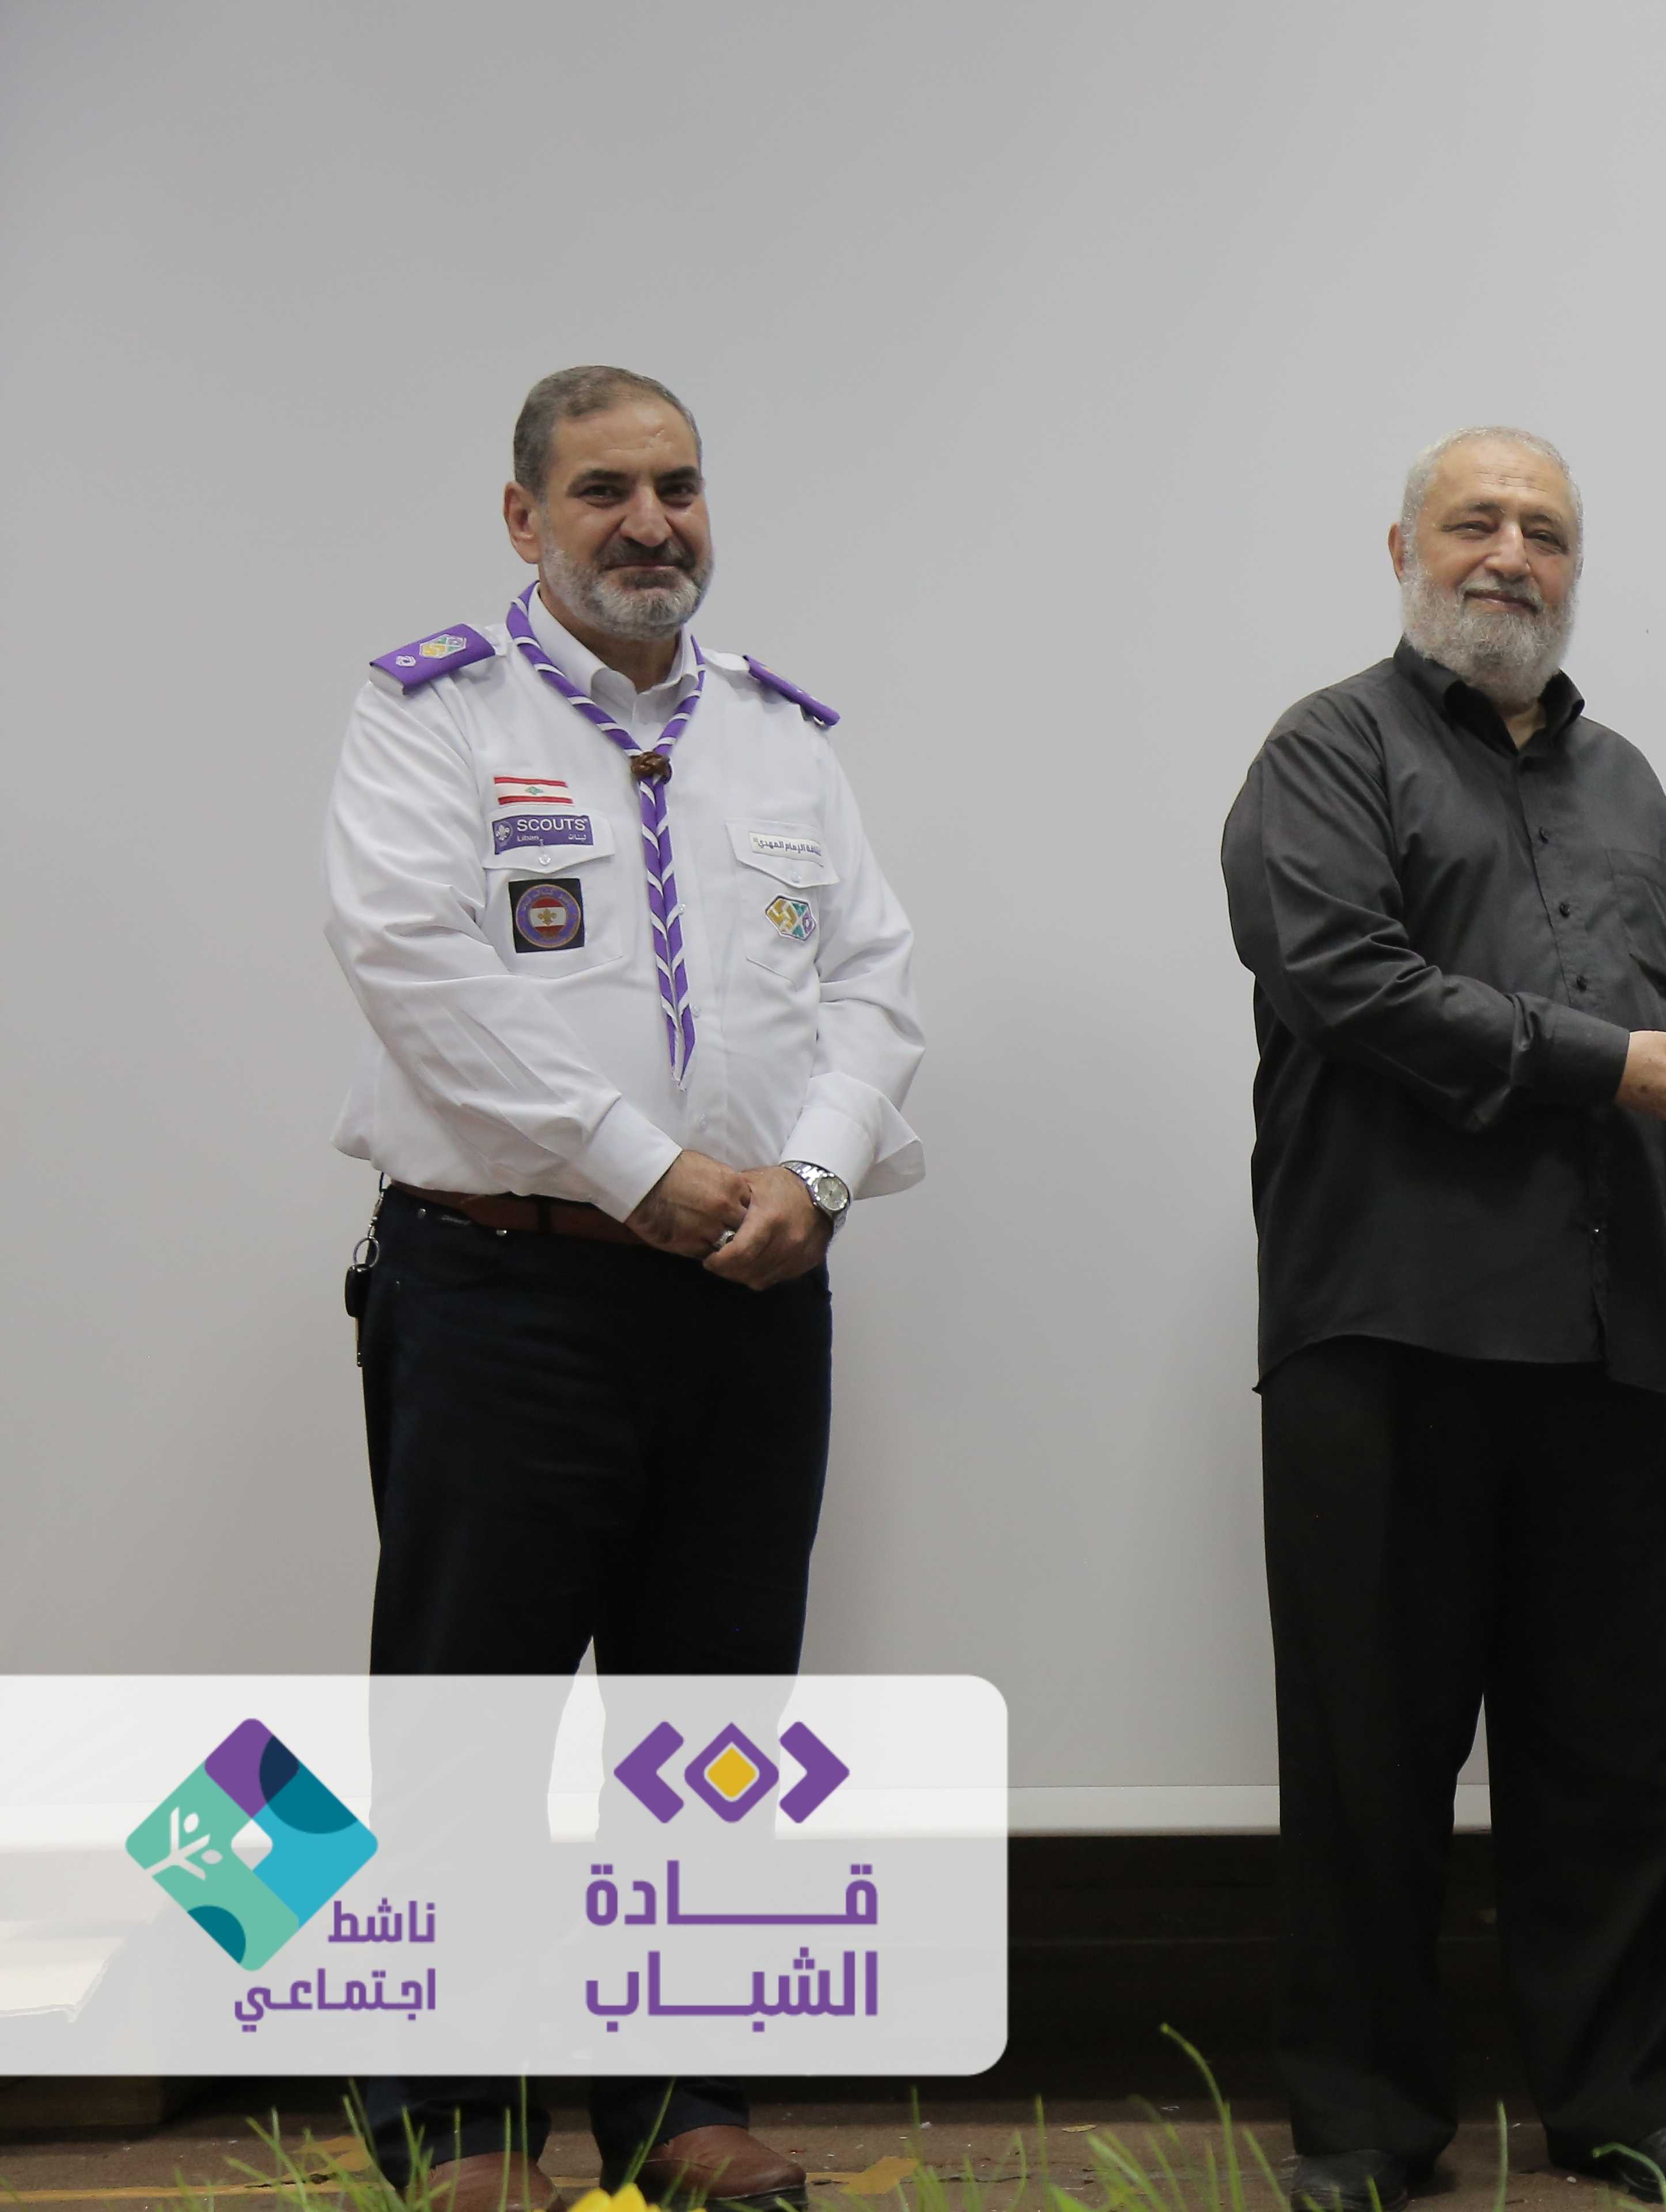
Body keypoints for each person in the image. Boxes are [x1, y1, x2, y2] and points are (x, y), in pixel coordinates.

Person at [324, 365, 924, 2212]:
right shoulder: (430, 714)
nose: (652, 522)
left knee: (714, 1724)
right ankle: (460, 2120)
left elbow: (874, 984)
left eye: (678, 484)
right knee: (472, 1716)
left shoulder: (780, 735)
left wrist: (818, 1174)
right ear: (526, 518)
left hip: (749, 1295)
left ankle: (680, 2105)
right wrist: (636, 1165)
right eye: (604, 490)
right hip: (506, 1281)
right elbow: (413, 963)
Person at [1220, 426, 1666, 2212]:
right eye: (1474, 521)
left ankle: (1620, 2100)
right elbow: (1347, 979)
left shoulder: (1633, 787)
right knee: (1368, 1756)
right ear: (1402, 548)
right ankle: (1365, 2128)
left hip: (1612, 1346)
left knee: (1611, 1756)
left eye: (1544, 530)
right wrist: (1611, 1063)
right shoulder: (1328, 751)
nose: (1510, 555)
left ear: (1573, 568)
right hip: (1389, 1331)